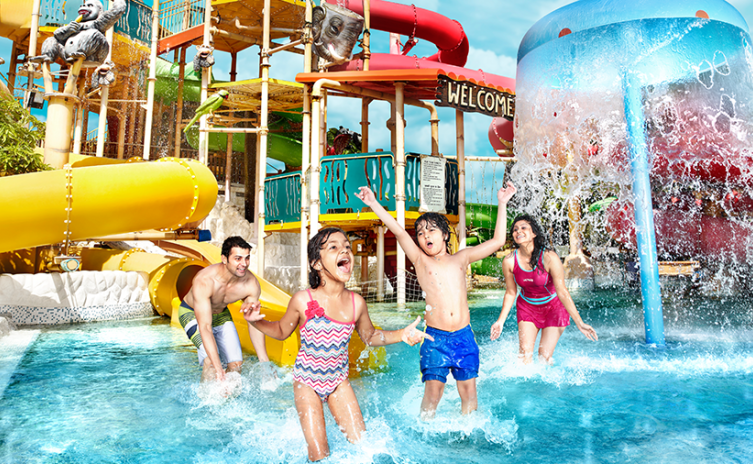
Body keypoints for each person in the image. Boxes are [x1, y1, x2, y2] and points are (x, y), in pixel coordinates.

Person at [243, 227, 431, 461]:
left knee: (363, 448)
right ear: (317, 264)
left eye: (346, 247)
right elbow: (282, 331)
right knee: (320, 453)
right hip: (307, 382)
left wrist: (401, 334)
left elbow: (370, 336)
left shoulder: (356, 303)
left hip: (338, 382)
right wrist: (258, 323)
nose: (344, 250)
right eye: (333, 247)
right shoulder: (303, 300)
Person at [355, 182, 517, 419]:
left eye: (431, 230)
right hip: (434, 338)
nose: (425, 236)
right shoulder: (421, 261)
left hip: (463, 336)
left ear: (444, 234)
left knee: (469, 393)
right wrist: (373, 204)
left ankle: (467, 434)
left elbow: (498, 241)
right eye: (420, 233)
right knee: (433, 394)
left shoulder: (462, 258)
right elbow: (399, 231)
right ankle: (425, 431)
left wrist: (502, 203)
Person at [490, 214, 598, 363]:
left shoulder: (549, 257)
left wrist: (580, 323)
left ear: (534, 233)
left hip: (554, 308)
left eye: (523, 228)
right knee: (524, 357)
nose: (518, 231)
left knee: (543, 357)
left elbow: (562, 291)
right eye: (515, 229)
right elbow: (510, 292)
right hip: (528, 307)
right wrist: (500, 321)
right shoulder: (509, 261)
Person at [180, 236, 270, 385]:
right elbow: (205, 327)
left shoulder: (251, 284)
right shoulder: (205, 280)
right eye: (238, 258)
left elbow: (253, 321)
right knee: (210, 361)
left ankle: (227, 399)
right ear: (224, 258)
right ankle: (205, 400)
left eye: (247, 258)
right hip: (191, 313)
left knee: (236, 365)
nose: (244, 264)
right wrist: (219, 369)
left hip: (221, 314)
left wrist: (264, 361)